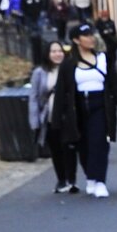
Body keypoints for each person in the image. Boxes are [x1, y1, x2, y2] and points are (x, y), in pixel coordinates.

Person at [59, 20, 117, 196]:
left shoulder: (103, 58)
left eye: (91, 34)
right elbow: (62, 91)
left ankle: (100, 180)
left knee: (99, 142)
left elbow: (115, 85)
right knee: (84, 144)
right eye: (86, 36)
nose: (91, 38)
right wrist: (58, 119)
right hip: (79, 105)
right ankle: (90, 176)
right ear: (76, 40)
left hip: (99, 104)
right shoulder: (69, 64)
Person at [29, 39, 75, 194]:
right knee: (56, 149)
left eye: (60, 51)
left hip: (68, 116)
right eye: (53, 51)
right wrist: (34, 121)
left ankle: (71, 178)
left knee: (69, 148)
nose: (57, 54)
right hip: (49, 116)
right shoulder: (39, 72)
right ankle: (61, 179)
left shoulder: (70, 68)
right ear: (48, 54)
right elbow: (34, 97)